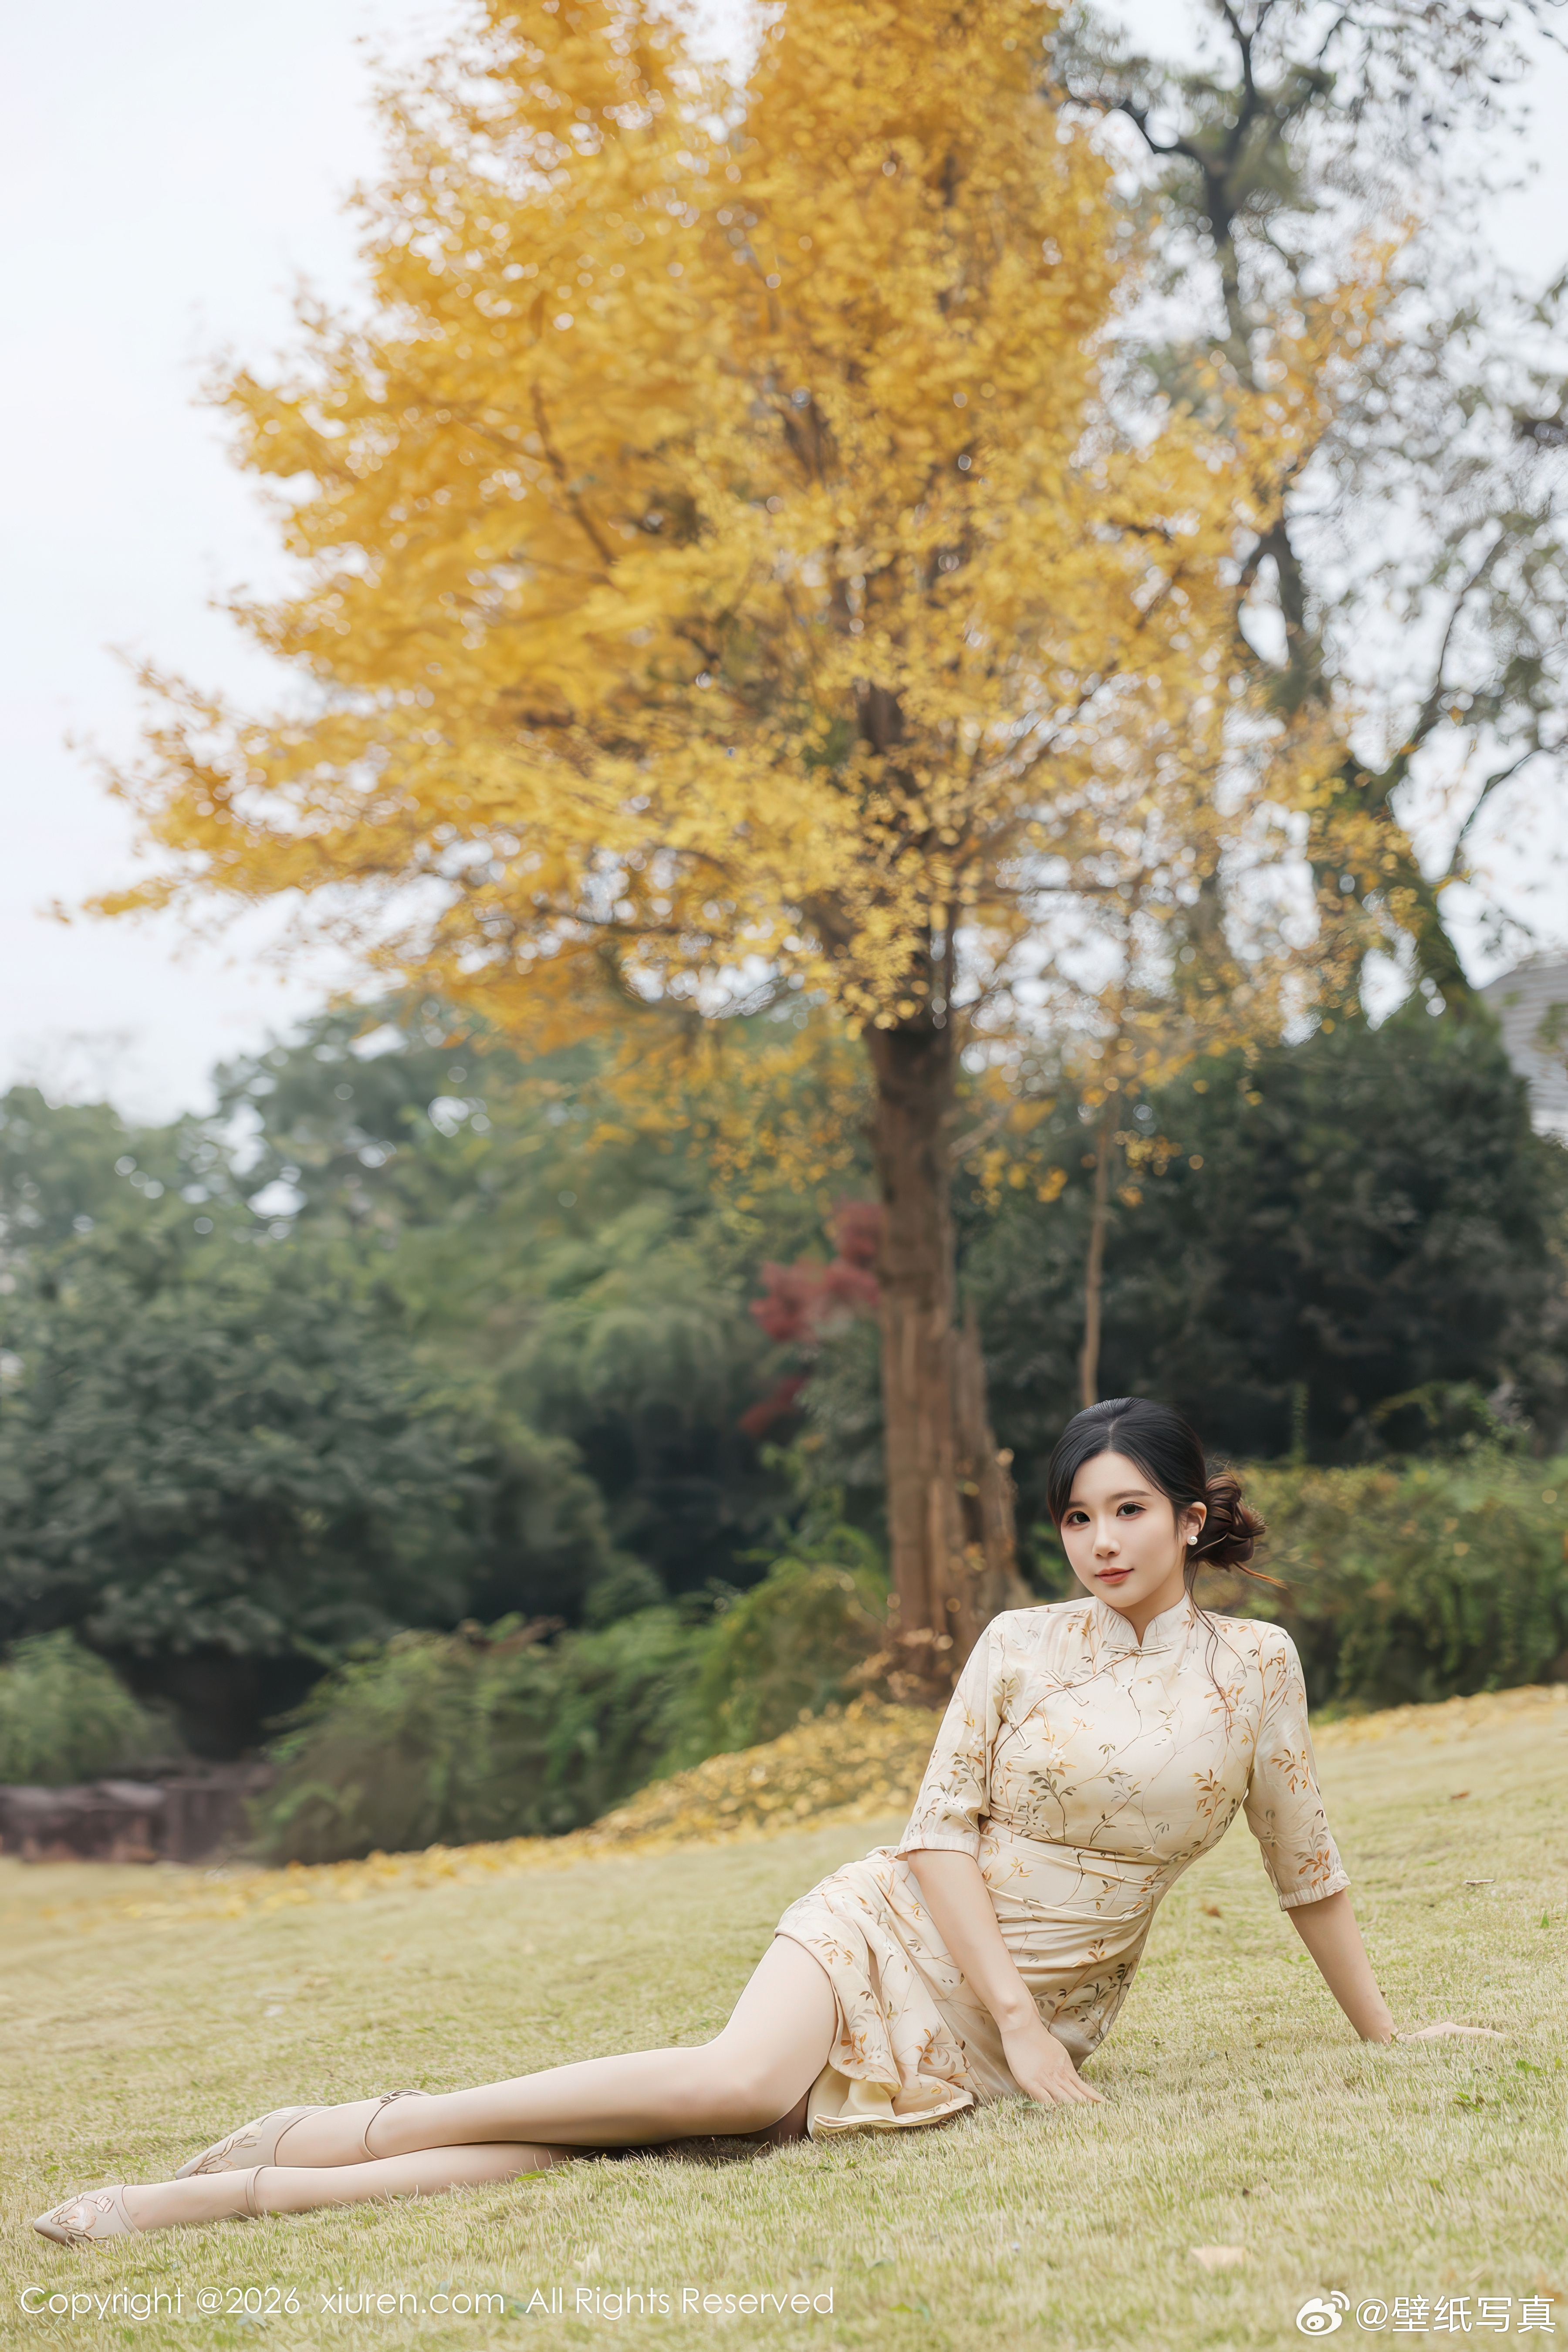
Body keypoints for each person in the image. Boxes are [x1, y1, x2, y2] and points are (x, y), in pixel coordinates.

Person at [35, 1396, 1498, 2247]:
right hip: (898, 1933)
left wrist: (1384, 2037)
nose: (1099, 1542)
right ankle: (367, 2123)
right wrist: (1019, 2019)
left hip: (1023, 2023)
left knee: (644, 2145)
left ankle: (215, 2197)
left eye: (1126, 1511)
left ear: (1189, 1516)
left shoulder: (1256, 1671)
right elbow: (936, 1833)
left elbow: (1307, 1871)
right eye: (1075, 1517)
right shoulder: (1017, 1644)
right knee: (736, 2086)